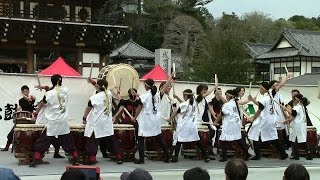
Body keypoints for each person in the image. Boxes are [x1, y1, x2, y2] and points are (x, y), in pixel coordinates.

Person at [29, 74, 79, 167]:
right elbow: (56, 88)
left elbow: (40, 105)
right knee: (68, 140)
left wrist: (35, 114)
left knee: (43, 140)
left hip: (52, 121)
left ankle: (36, 158)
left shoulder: (48, 94)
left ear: (52, 82)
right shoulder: (65, 90)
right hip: (63, 120)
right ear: (60, 81)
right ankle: (75, 158)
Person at [83, 79, 123, 165]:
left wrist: (84, 118)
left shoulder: (94, 98)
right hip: (107, 122)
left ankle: (92, 158)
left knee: (92, 140)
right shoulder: (108, 94)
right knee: (111, 141)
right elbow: (99, 87)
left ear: (98, 86)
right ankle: (118, 156)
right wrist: (92, 82)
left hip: (97, 122)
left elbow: (88, 109)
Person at [132, 78, 171, 164]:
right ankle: (167, 156)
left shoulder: (145, 96)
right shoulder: (157, 95)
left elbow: (139, 108)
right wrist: (170, 77)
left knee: (141, 139)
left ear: (146, 86)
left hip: (146, 121)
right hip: (155, 121)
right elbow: (166, 86)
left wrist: (134, 117)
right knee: (159, 138)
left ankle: (141, 159)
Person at [247, 82, 288, 160]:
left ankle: (257, 155)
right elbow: (261, 106)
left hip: (264, 120)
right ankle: (283, 153)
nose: (259, 90)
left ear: (262, 88)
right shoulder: (270, 97)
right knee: (273, 137)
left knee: (254, 134)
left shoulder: (264, 98)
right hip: (271, 119)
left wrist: (253, 118)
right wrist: (252, 100)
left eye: (260, 88)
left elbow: (259, 110)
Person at [169, 89, 210, 163]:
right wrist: (177, 97)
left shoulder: (184, 104)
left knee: (179, 141)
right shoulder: (194, 103)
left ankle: (175, 158)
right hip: (192, 126)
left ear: (185, 95)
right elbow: (184, 105)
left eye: (183, 95)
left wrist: (169, 119)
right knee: (197, 142)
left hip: (184, 126)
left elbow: (177, 112)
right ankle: (206, 157)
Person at [214, 89, 250, 162]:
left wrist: (215, 121)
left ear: (228, 96)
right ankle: (246, 153)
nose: (226, 97)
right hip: (236, 123)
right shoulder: (236, 102)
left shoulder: (227, 105)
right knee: (238, 138)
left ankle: (224, 157)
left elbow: (221, 114)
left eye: (226, 95)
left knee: (224, 140)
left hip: (230, 124)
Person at [34, 85, 64, 159]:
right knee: (42, 140)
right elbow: (41, 104)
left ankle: (56, 153)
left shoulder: (53, 99)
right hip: (42, 121)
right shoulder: (44, 100)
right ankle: (38, 155)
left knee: (56, 139)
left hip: (50, 122)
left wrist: (44, 87)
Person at [1, 85, 35, 151]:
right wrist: (18, 109)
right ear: (22, 92)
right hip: (22, 119)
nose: (26, 93)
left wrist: (30, 100)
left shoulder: (31, 99)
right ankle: (7, 147)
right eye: (25, 92)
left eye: (27, 91)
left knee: (32, 134)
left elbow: (33, 101)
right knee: (11, 134)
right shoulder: (20, 101)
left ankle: (32, 147)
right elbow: (19, 110)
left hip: (30, 119)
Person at [283, 94, 313, 160]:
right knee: (300, 140)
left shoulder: (297, 107)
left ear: (296, 99)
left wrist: (285, 121)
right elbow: (294, 114)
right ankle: (306, 154)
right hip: (301, 125)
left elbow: (293, 116)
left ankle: (298, 155)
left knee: (296, 140)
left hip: (297, 126)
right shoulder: (302, 106)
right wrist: (287, 110)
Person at [195, 84, 217, 158]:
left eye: (206, 90)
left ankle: (209, 150)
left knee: (213, 132)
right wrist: (214, 87)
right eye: (203, 89)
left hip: (207, 120)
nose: (205, 91)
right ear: (199, 90)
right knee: (204, 135)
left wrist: (214, 115)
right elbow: (205, 95)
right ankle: (203, 150)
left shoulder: (206, 99)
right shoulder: (197, 97)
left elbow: (210, 108)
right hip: (199, 121)